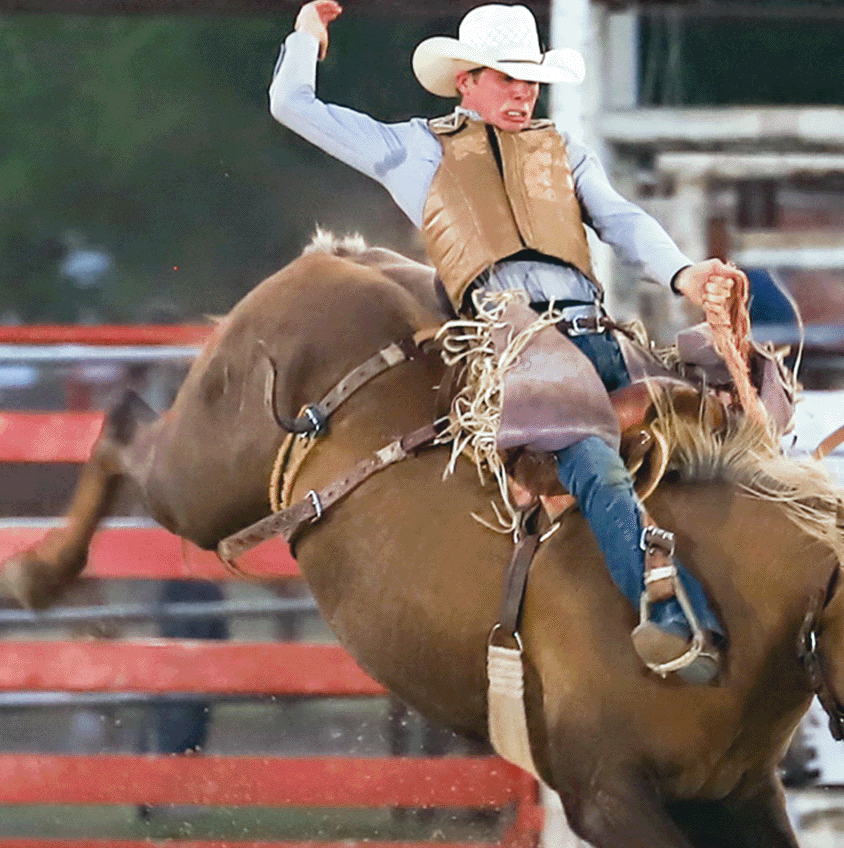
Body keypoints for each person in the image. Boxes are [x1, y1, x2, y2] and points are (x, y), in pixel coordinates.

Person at [270, 1, 743, 682]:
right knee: (594, 461)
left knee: (727, 423)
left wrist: (686, 273)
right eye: (506, 78)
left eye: (531, 80)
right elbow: (292, 103)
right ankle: (674, 614)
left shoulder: (564, 151)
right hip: (516, 346)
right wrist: (307, 37)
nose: (523, 93)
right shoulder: (412, 146)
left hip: (600, 334)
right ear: (466, 80)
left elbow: (621, 219)